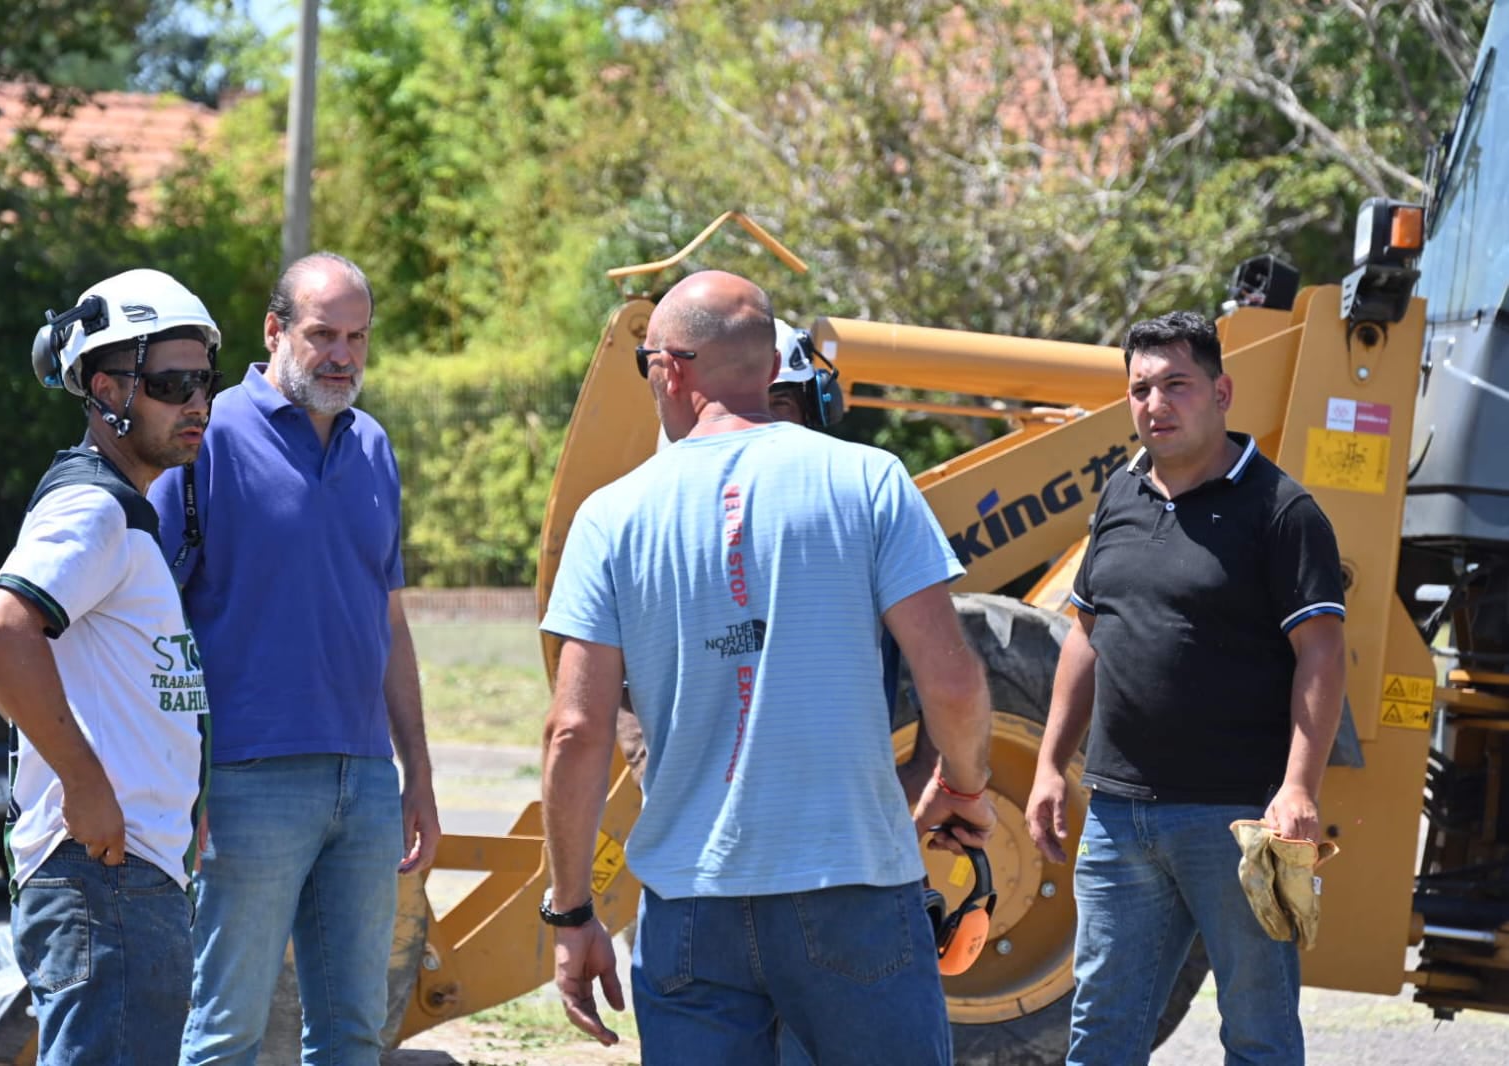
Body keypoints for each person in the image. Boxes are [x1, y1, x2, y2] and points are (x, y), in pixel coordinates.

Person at [538, 269, 997, 1065]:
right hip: (852, 882)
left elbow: (575, 730)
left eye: (646, 361)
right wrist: (961, 786)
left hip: (691, 903)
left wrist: (571, 911)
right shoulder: (868, 479)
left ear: (672, 369)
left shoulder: (610, 517)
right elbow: (951, 680)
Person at [1024, 310, 1347, 1065]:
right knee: (1100, 1030)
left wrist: (1298, 787)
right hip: (1116, 820)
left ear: (1221, 390)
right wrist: (1046, 765)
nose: (1154, 404)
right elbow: (1086, 632)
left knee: (1257, 1033)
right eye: (1139, 389)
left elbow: (1322, 654)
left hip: (1233, 820)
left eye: (1176, 384)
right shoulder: (1119, 494)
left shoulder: (1282, 511)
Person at [150, 252, 442, 1066]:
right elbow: (151, 621)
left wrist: (415, 771)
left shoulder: (373, 445)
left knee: (355, 1035)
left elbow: (388, 620)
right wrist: (183, 780)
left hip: (365, 781)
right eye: (322, 334)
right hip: (244, 783)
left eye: (357, 336)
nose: (342, 354)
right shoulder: (202, 440)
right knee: (224, 1034)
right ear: (275, 330)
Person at [0, 269, 221, 1065]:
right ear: (107, 390)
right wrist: (86, 783)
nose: (197, 403)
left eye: (204, 381)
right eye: (171, 383)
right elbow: (0, 633)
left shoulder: (122, 512)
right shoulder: (94, 506)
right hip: (102, 879)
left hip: (124, 876)